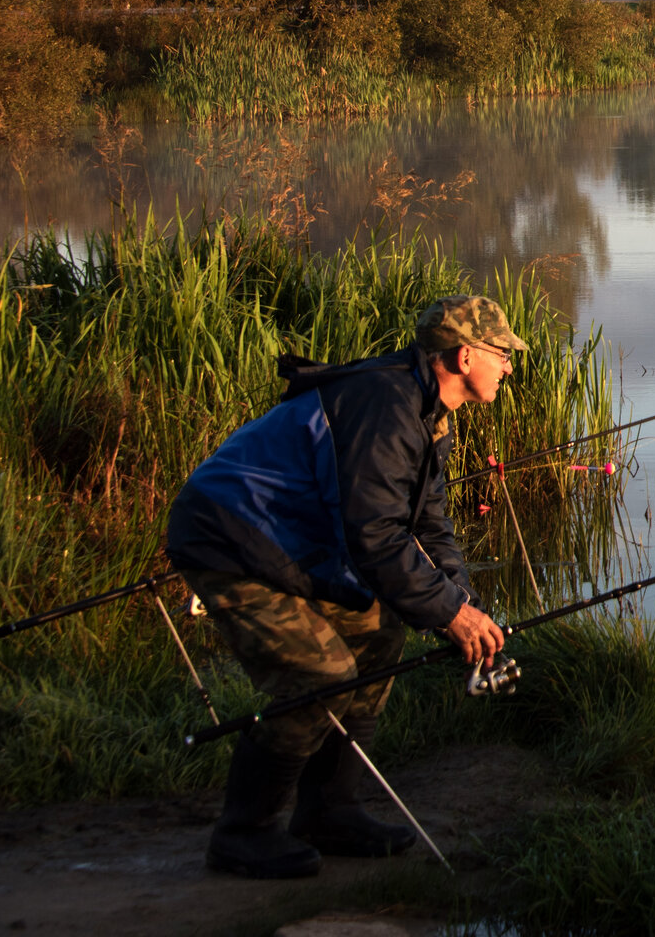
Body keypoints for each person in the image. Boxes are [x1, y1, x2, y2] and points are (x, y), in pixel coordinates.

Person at [166, 295, 521, 879]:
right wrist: (448, 616)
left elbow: (427, 525)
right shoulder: (387, 408)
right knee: (319, 675)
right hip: (229, 537)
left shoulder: (428, 412)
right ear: (463, 357)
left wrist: (462, 604)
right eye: (501, 353)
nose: (508, 366)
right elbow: (375, 540)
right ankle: (243, 832)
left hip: (287, 542)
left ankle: (329, 810)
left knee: (378, 637)